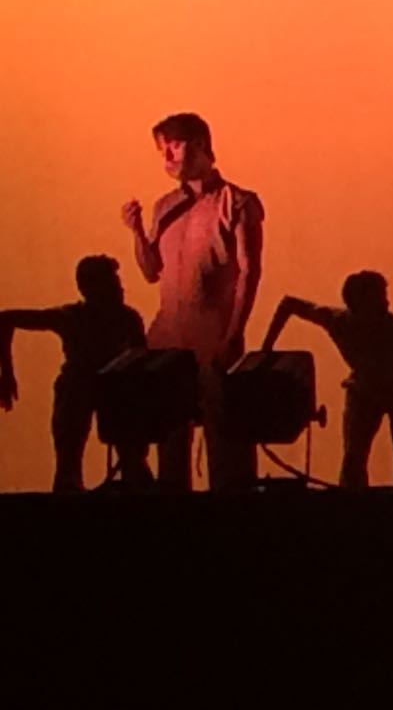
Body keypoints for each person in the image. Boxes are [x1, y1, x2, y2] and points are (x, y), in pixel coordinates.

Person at [121, 112, 264, 491]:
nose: (167, 156)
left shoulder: (237, 202)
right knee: (169, 436)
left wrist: (233, 333)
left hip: (212, 337)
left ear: (199, 143)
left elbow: (249, 273)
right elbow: (151, 271)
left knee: (224, 436)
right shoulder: (165, 206)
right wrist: (137, 232)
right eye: (162, 150)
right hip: (168, 340)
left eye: (174, 145)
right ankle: (173, 514)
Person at [261, 271, 393, 489]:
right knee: (353, 456)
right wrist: (267, 348)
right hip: (363, 390)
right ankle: (351, 499)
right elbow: (289, 304)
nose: (386, 302)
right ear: (359, 302)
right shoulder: (338, 321)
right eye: (379, 297)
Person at [0, 256, 150, 491]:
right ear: (90, 288)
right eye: (112, 282)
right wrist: (7, 373)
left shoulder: (127, 319)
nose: (120, 288)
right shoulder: (73, 317)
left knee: (131, 455)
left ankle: (132, 474)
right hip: (81, 388)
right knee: (70, 454)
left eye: (117, 282)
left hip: (116, 390)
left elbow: (142, 363)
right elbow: (6, 319)